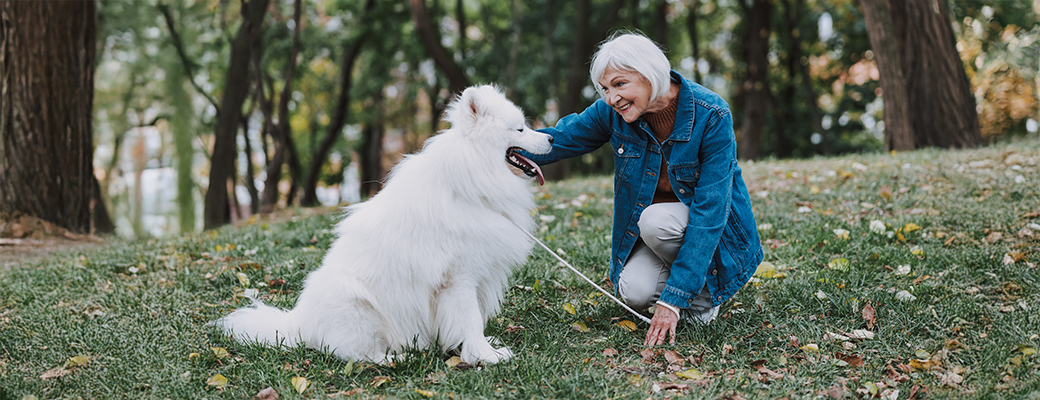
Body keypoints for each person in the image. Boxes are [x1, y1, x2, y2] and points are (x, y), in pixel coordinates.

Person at [522, 32, 763, 346]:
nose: (611, 98)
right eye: (605, 89)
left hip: (713, 236)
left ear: (651, 75)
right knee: (633, 291)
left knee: (655, 221)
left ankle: (703, 298)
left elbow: (710, 213)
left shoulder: (711, 115)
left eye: (620, 84)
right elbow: (560, 139)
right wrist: (503, 150)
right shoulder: (613, 113)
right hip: (665, 232)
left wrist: (672, 300)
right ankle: (686, 285)